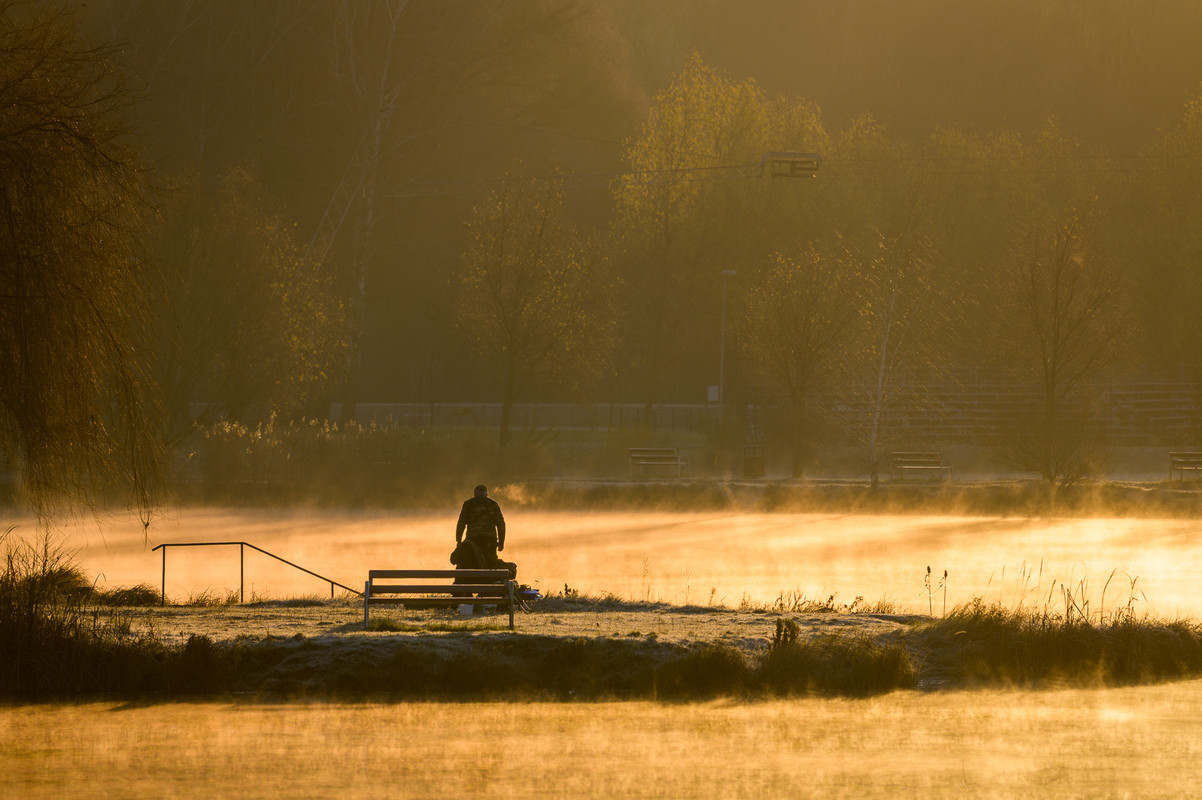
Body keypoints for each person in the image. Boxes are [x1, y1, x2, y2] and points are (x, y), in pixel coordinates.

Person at [455, 484, 508, 569]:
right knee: (490, 563)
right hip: (490, 540)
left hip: (473, 540)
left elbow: (461, 523)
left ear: (474, 494)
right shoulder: (493, 504)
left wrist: (459, 541)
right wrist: (501, 542)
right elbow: (501, 524)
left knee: (472, 563)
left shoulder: (468, 504)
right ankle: (490, 580)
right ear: (486, 494)